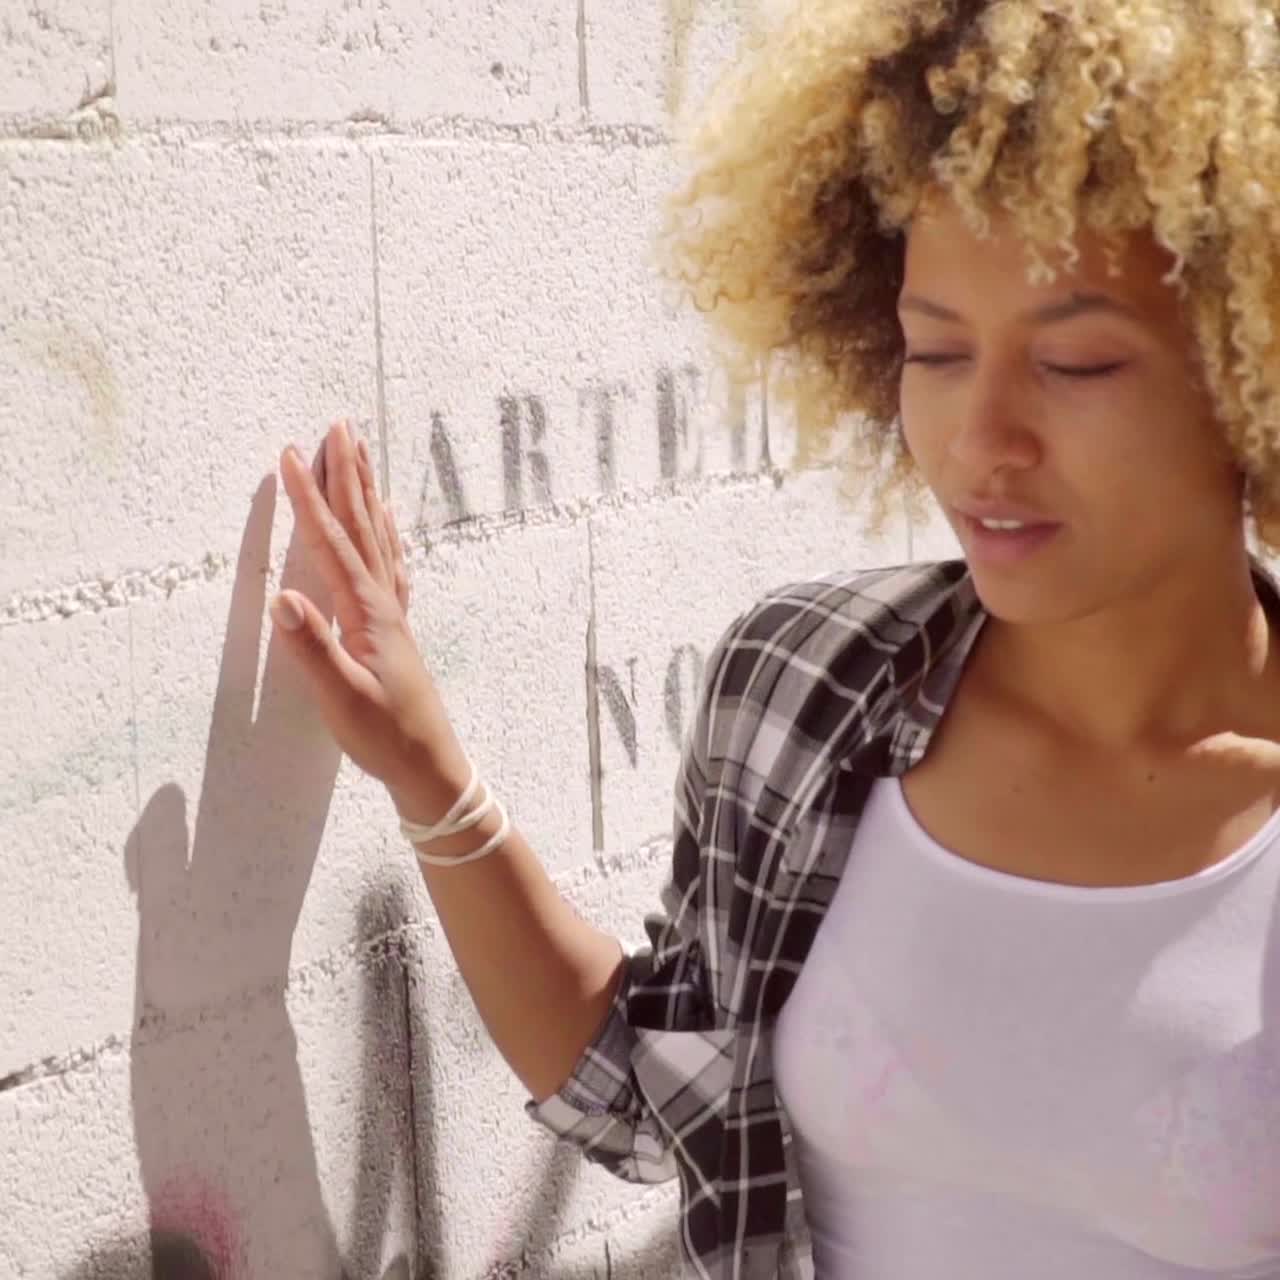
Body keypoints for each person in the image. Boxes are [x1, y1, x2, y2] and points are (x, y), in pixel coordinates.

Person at [269, 1, 1280, 1277]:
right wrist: (427, 770)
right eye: (933, 350)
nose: (980, 439)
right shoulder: (808, 688)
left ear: (1248, 361)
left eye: (1076, 362)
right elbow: (648, 1087)